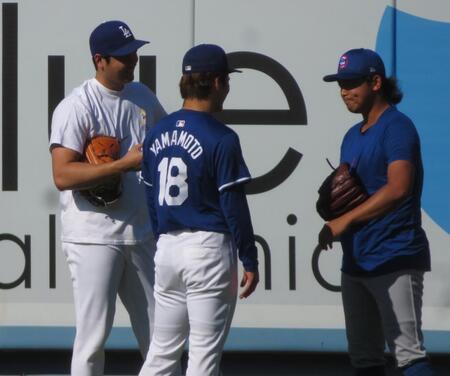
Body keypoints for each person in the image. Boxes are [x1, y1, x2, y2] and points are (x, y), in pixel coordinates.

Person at [49, 20, 166, 376]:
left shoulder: (142, 96)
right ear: (100, 60)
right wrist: (121, 165)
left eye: (133, 53)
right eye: (123, 57)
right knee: (93, 339)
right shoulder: (76, 106)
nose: (132, 60)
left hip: (140, 231)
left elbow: (162, 148)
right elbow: (62, 174)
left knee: (161, 337)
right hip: (92, 234)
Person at [138, 44, 259, 376]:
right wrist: (249, 257)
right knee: (203, 360)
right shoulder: (221, 137)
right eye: (227, 81)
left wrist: (163, 240)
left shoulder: (156, 134)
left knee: (161, 355)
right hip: (206, 249)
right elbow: (233, 205)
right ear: (217, 82)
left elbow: (151, 199)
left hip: (167, 248)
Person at [319, 48, 434, 376]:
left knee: (409, 355)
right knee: (364, 359)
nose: (344, 90)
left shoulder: (397, 127)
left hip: (394, 256)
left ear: (375, 82)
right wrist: (333, 218)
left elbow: (399, 188)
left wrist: (345, 219)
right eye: (340, 83)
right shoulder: (351, 137)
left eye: (352, 82)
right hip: (356, 261)